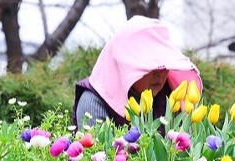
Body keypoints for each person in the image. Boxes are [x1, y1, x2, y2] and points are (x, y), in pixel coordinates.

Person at [73, 16, 202, 131]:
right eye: (151, 66)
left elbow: (185, 149)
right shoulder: (94, 101)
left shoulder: (172, 98)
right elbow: (95, 155)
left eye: (166, 65)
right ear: (127, 65)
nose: (161, 73)